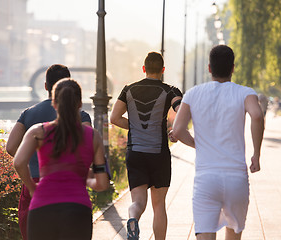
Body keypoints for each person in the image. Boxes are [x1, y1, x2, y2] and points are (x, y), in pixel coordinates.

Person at [171, 45, 264, 240]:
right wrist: (256, 153)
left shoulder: (193, 94)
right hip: (236, 178)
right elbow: (256, 115)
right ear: (233, 68)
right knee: (234, 233)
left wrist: (199, 144)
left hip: (206, 178)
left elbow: (178, 130)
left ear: (209, 68)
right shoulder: (245, 93)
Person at [13, 78, 110, 240]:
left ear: (54, 104)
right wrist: (86, 179)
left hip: (41, 208)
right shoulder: (93, 136)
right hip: (78, 210)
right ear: (79, 104)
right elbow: (102, 184)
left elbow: (18, 162)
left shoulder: (38, 132)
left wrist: (32, 187)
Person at [110, 52, 182, 240]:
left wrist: (133, 127)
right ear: (162, 70)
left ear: (144, 69)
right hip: (159, 154)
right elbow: (180, 110)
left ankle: (133, 218)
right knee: (159, 206)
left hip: (135, 153)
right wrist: (174, 129)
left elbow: (114, 118)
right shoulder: (171, 90)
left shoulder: (128, 90)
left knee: (138, 202)